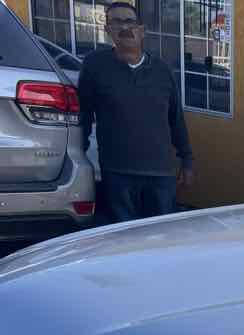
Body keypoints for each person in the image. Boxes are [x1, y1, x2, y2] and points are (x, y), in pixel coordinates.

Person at [78, 2, 195, 223]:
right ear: (107, 29)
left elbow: (176, 118)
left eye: (130, 21)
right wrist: (79, 158)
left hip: (160, 174)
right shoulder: (95, 67)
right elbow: (83, 116)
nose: (125, 28)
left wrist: (187, 161)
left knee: (162, 239)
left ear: (142, 30)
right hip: (118, 174)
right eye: (116, 22)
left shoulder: (162, 71)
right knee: (124, 242)